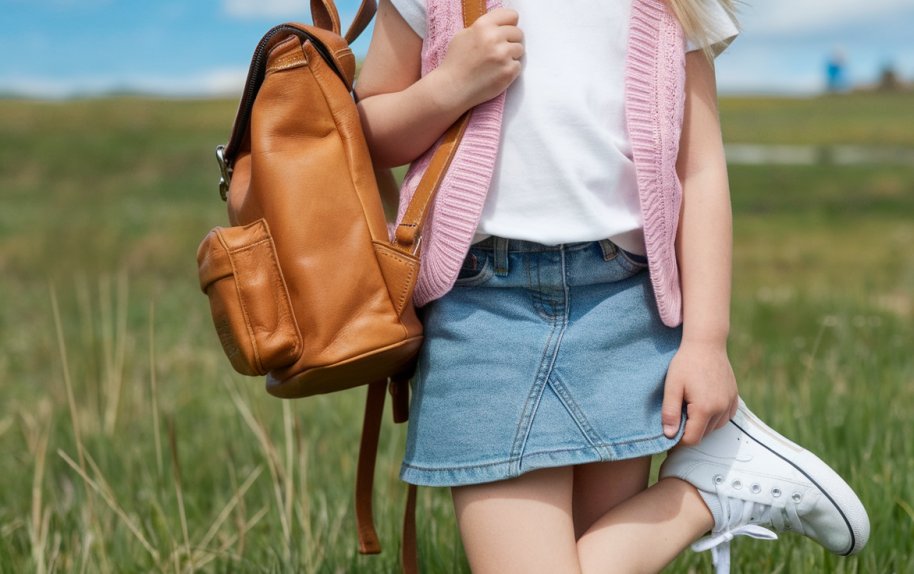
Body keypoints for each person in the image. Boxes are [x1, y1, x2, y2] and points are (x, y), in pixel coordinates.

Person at [354, 0, 869, 571]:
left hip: (622, 308)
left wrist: (706, 342)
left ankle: (711, 490)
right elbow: (364, 131)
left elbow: (697, 169)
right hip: (481, 314)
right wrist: (446, 88)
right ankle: (707, 495)